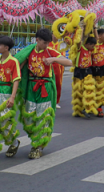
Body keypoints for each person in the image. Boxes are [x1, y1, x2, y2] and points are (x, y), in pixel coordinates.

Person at [15, 28, 73, 158]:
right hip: (31, 86)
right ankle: (35, 139)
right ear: (37, 40)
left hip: (45, 87)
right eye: (44, 42)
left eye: (48, 42)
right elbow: (18, 64)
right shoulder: (28, 51)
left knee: (43, 117)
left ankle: (38, 146)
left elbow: (69, 62)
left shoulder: (50, 51)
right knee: (28, 117)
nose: (46, 45)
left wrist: (53, 59)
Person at [92, 28, 104, 118]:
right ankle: (90, 107)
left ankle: (99, 108)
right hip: (92, 70)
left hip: (102, 70)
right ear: (99, 36)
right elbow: (95, 38)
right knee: (91, 89)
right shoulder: (93, 45)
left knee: (101, 91)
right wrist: (94, 27)